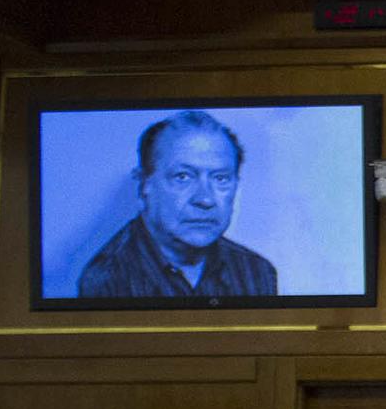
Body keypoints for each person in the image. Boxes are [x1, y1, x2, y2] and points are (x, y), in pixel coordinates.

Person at [78, 110, 278, 299]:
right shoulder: (107, 280)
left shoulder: (257, 271)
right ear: (145, 183)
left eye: (221, 178)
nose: (205, 199)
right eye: (183, 177)